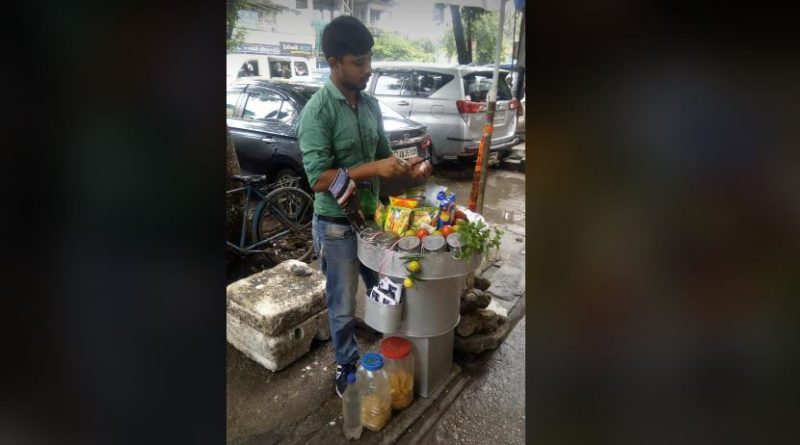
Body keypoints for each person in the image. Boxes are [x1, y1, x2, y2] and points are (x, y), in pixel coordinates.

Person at [297, 15, 432, 397]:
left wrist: (412, 172)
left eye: (370, 59)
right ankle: (346, 364)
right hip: (336, 224)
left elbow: (384, 159)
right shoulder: (317, 113)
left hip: (373, 219)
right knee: (341, 306)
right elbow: (318, 178)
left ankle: (393, 352)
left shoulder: (371, 105)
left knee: (386, 290)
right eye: (359, 62)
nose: (368, 70)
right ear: (333, 62)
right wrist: (373, 167)